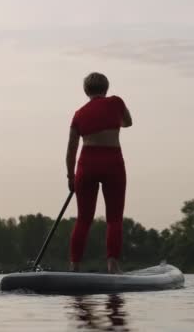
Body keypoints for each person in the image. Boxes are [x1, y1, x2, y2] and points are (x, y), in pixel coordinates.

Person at [66, 72, 132, 273]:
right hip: (112, 163)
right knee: (114, 218)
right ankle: (113, 264)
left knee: (83, 219)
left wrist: (71, 177)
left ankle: (74, 266)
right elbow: (128, 122)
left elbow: (70, 149)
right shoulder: (116, 102)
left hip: (86, 165)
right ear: (106, 88)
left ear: (86, 91)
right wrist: (112, 122)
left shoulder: (78, 114)